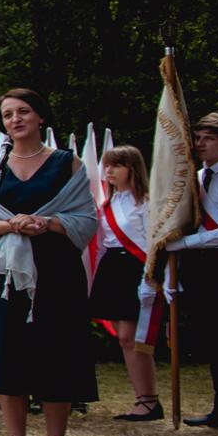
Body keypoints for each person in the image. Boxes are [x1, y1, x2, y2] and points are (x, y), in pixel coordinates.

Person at [0, 89, 98, 436]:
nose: (15, 120)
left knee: (57, 358)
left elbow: (86, 220)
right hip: (2, 279)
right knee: (9, 360)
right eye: (7, 115)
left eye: (23, 112)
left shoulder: (67, 165)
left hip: (55, 274)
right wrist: (13, 224)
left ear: (40, 118)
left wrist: (47, 223)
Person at [163, 113, 218, 434]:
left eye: (208, 139)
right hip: (204, 267)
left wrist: (185, 242)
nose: (200, 144)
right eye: (198, 138)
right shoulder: (196, 178)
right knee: (215, 341)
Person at [90, 146, 160, 421]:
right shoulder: (108, 203)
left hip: (136, 266)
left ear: (132, 168)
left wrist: (151, 278)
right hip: (113, 267)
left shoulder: (145, 202)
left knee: (132, 338)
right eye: (107, 166)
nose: (109, 171)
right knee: (124, 339)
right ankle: (143, 398)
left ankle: (148, 400)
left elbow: (151, 243)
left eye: (116, 165)